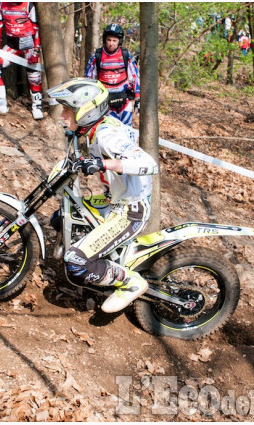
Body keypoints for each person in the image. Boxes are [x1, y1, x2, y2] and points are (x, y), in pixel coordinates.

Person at [47, 78, 158, 313]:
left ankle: (129, 282)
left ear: (85, 112)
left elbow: (148, 163)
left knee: (75, 261)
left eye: (67, 110)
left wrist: (102, 163)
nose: (62, 116)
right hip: (113, 200)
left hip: (129, 210)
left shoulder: (106, 135)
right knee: (61, 216)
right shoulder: (96, 127)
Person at [0, 2, 43, 119]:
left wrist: (36, 51)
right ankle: (0, 104)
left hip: (29, 46)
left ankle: (37, 106)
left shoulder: (29, 4)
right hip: (12, 46)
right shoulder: (0, 4)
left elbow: (37, 29)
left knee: (34, 75)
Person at [85, 24, 140, 127]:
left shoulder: (125, 55)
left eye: (114, 41)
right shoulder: (97, 55)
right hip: (105, 102)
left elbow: (135, 76)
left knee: (127, 130)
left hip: (124, 100)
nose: (111, 43)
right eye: (109, 40)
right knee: (110, 129)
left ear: (119, 41)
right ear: (105, 40)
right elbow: (89, 78)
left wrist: (137, 99)